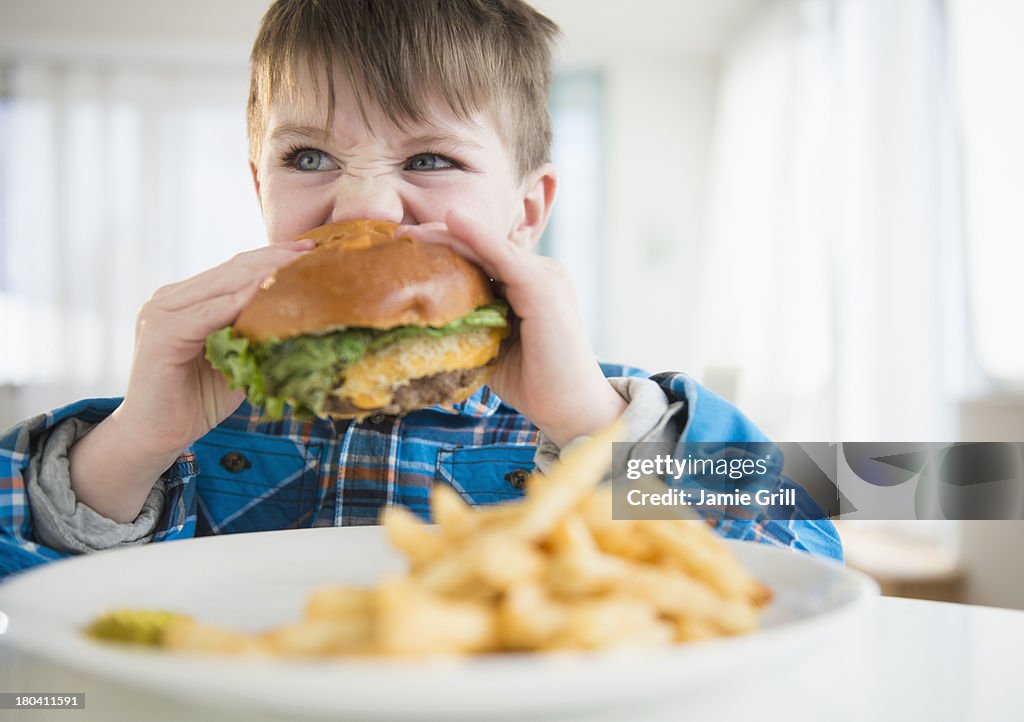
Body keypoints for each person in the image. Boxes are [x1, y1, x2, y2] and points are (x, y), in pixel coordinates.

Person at [0, 0, 841, 580]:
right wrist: (130, 446)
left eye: (430, 160)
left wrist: (593, 427)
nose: (363, 205)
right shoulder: (181, 419)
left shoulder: (606, 405)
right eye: (309, 158)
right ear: (260, 187)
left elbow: (807, 562)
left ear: (525, 210)